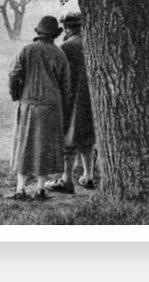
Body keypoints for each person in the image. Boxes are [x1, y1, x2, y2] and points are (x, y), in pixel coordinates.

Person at [6, 16, 70, 201]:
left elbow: (13, 74)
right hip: (51, 105)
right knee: (45, 147)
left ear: (39, 32)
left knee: (23, 145)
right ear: (55, 34)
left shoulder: (27, 50)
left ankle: (20, 189)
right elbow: (66, 85)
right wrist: (62, 107)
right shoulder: (59, 54)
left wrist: (16, 94)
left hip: (29, 104)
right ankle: (41, 189)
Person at [45, 12, 96, 194]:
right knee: (87, 139)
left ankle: (67, 180)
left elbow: (60, 77)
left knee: (68, 139)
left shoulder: (66, 46)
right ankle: (88, 176)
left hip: (72, 98)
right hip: (92, 99)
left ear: (66, 27)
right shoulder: (93, 42)